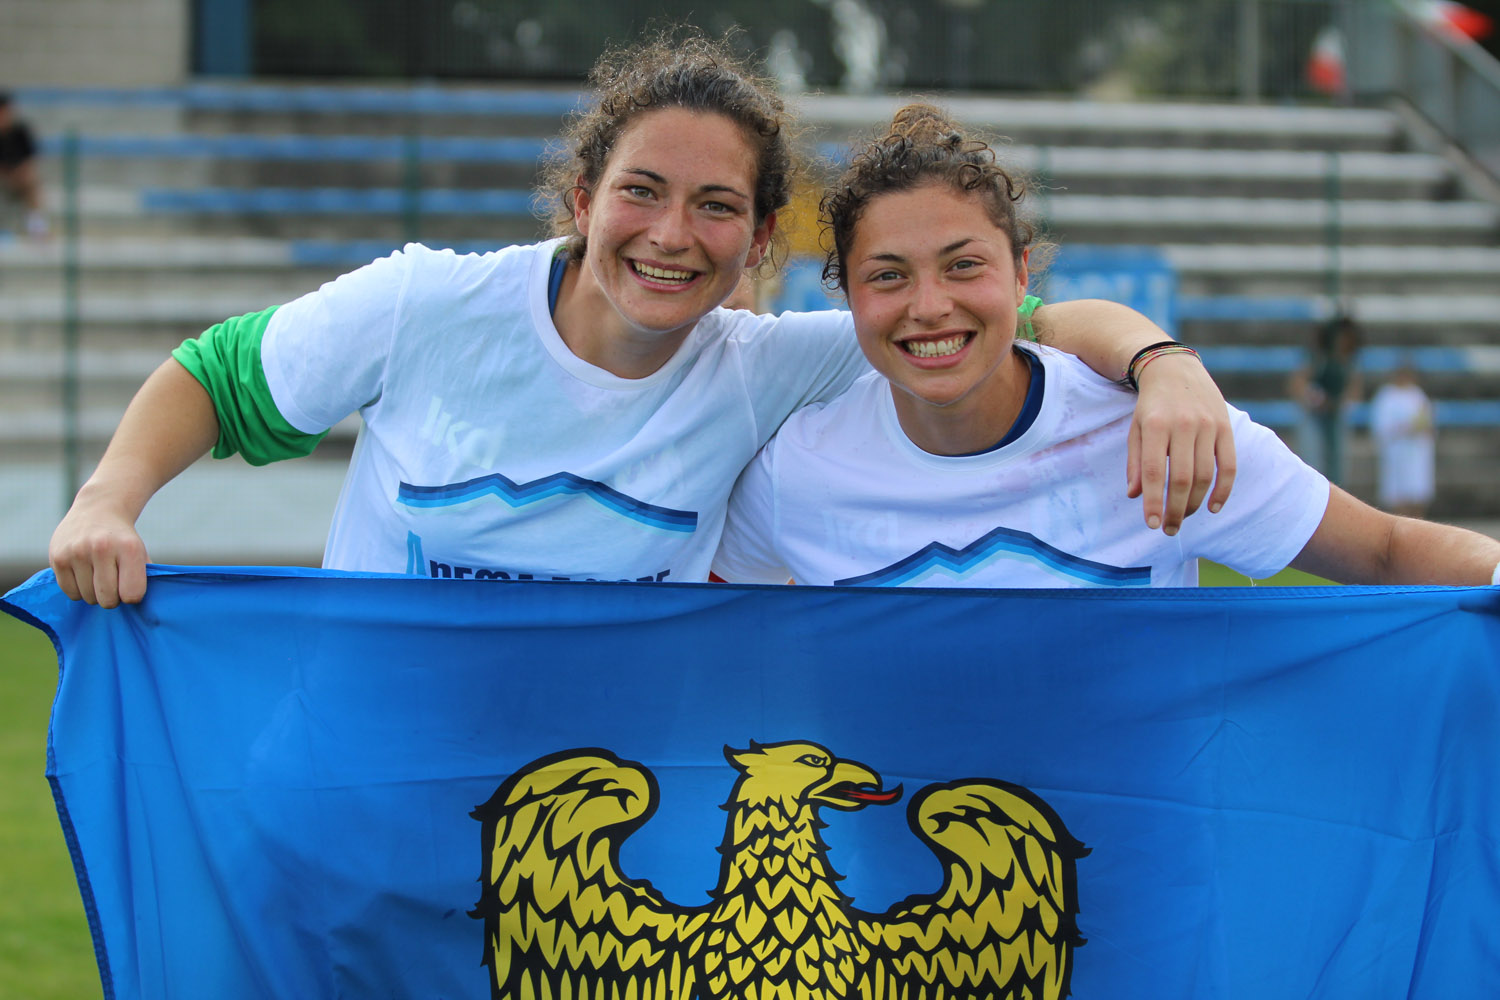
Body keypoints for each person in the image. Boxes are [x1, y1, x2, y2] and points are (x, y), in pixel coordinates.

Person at [49, 31, 1236, 609]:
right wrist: (107, 500)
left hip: (577, 810)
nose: (672, 233)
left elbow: (1002, 319)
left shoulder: (768, 365)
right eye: (642, 192)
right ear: (583, 199)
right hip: (362, 773)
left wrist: (1164, 363)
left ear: (759, 241)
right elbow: (214, 375)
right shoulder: (426, 304)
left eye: (717, 206)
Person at [712, 105, 1500, 589]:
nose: (930, 306)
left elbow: (1388, 550)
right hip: (906, 828)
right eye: (888, 276)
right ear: (847, 297)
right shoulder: (798, 470)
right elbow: (700, 614)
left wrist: (1163, 362)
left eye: (964, 265)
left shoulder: (1165, 438)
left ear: (1021, 273)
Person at [1290, 314, 1362, 486]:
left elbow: (1354, 391)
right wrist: (1314, 398)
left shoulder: (1349, 362)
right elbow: (1297, 384)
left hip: (1336, 414)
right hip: (1313, 415)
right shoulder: (1318, 357)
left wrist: (1337, 403)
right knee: (1312, 461)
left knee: (1338, 464)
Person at [1370, 360, 1436, 518]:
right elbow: (1381, 427)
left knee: (1417, 493)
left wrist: (1423, 428)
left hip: (1417, 453)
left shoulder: (1418, 395)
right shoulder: (1387, 396)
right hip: (1397, 453)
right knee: (1398, 495)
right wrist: (1405, 428)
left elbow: (1428, 423)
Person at [0, 92, 47, 237]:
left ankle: (36, 227)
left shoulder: (20, 132)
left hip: (19, 179)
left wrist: (17, 173)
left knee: (30, 179)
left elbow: (30, 159)